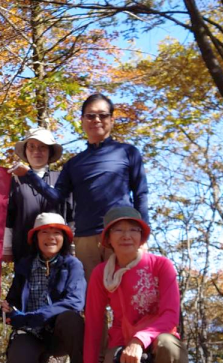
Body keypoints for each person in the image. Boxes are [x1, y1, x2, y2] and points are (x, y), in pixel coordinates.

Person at [72, 206, 201, 363]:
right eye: (118, 230)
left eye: (133, 230)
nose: (126, 235)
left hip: (158, 344)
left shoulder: (161, 265)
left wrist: (139, 340)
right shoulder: (102, 273)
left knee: (170, 345)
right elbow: (93, 322)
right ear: (108, 239)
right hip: (122, 344)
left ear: (141, 237)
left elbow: (170, 315)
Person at [10, 94, 148, 280]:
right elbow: (56, 197)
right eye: (90, 116)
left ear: (112, 119)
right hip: (85, 239)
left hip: (121, 232)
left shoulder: (127, 152)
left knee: (127, 292)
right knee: (91, 298)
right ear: (82, 120)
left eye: (103, 115)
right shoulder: (74, 164)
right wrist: (29, 175)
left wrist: (143, 234)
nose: (96, 120)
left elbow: (141, 193)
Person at [1, 213, 89, 363]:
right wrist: (9, 310)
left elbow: (74, 302)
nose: (51, 237)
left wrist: (33, 317)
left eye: (56, 232)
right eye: (45, 232)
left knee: (72, 319)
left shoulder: (72, 265)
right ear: (35, 238)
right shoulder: (25, 265)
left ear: (64, 238)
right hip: (31, 332)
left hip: (60, 332)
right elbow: (14, 297)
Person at [4, 128, 72, 264]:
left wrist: (73, 246)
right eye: (32, 147)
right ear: (25, 151)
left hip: (58, 253)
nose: (37, 151)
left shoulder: (60, 179)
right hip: (23, 251)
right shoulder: (14, 181)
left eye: (42, 147)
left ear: (50, 152)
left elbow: (70, 214)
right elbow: (8, 218)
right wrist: (7, 249)